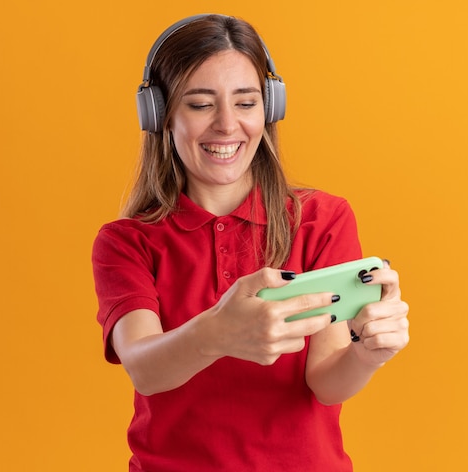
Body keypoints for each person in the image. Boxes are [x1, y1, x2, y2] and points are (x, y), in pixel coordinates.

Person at [92, 13, 409, 472]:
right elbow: (144, 368)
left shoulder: (322, 220)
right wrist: (218, 333)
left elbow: (325, 381)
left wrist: (367, 355)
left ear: (270, 108)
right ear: (160, 116)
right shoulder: (126, 242)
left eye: (246, 103)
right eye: (200, 105)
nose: (227, 125)